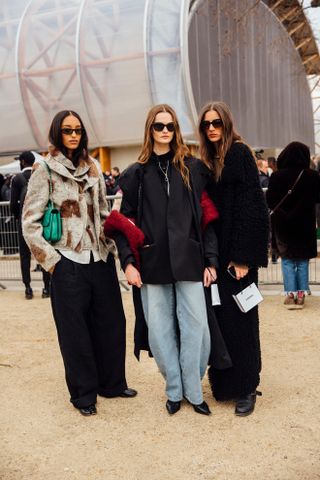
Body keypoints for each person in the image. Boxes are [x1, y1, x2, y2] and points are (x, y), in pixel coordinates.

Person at [105, 104, 220, 416]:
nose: (165, 131)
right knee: (158, 331)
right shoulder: (134, 176)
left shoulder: (195, 170)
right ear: (150, 130)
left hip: (190, 260)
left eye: (170, 126)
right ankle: (173, 390)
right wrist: (128, 262)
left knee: (197, 326)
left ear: (176, 130)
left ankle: (193, 390)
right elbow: (122, 225)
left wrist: (211, 259)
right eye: (159, 126)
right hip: (151, 263)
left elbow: (208, 218)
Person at [22, 110, 136, 416]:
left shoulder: (94, 167)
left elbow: (101, 212)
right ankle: (84, 395)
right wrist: (53, 261)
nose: (73, 135)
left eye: (77, 130)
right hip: (66, 260)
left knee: (112, 323)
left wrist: (115, 247)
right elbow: (29, 223)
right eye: (67, 130)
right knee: (75, 332)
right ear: (58, 133)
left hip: (97, 257)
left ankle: (112, 383)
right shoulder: (44, 170)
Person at [197, 101, 269, 416]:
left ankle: (246, 386)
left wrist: (242, 258)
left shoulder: (239, 153)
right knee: (223, 321)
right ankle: (227, 383)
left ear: (227, 125)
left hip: (236, 258)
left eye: (217, 123)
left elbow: (252, 207)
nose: (212, 128)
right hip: (219, 256)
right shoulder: (210, 159)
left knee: (241, 320)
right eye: (206, 124)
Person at [266, 142, 320, 309]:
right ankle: (302, 293)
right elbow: (318, 198)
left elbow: (270, 200)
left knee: (287, 260)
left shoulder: (276, 176)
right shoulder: (312, 175)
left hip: (283, 225)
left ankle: (290, 294)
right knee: (302, 261)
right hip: (304, 225)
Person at [10, 151, 51, 299]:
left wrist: (17, 217)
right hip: (41, 221)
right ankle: (47, 288)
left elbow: (13, 203)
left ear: (22, 162)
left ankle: (28, 288)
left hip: (25, 223)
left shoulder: (17, 179)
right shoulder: (39, 176)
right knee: (42, 253)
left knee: (25, 256)